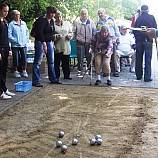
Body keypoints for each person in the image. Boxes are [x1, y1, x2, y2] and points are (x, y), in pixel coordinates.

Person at [32, 6, 61, 87]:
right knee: (38, 61)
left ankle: (53, 79)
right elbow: (39, 33)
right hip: (40, 41)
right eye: (51, 13)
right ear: (47, 12)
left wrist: (52, 43)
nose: (52, 15)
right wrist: (44, 44)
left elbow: (51, 33)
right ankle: (36, 80)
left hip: (49, 41)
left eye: (54, 13)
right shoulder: (41, 20)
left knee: (51, 61)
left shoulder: (51, 21)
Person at [133, 5, 157, 82]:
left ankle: (139, 76)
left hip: (139, 41)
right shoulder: (152, 17)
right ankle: (147, 77)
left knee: (139, 58)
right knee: (148, 59)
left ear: (141, 10)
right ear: (148, 10)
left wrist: (137, 37)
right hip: (148, 41)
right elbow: (155, 29)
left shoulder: (138, 18)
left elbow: (134, 30)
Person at [96, 8, 120, 77]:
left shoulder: (111, 20)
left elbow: (116, 29)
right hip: (103, 43)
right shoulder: (99, 22)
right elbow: (96, 31)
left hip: (112, 41)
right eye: (99, 13)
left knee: (114, 56)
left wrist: (118, 37)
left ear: (104, 13)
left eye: (101, 13)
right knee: (104, 57)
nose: (100, 15)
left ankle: (115, 71)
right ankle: (105, 71)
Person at [72, 8, 96, 75]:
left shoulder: (91, 22)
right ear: (81, 14)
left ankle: (89, 70)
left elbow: (94, 31)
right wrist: (75, 39)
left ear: (87, 14)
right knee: (80, 57)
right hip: (80, 42)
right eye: (83, 14)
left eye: (85, 14)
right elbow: (73, 32)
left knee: (89, 57)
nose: (84, 15)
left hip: (89, 43)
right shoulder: (77, 22)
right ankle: (79, 70)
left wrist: (93, 41)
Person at [0, 3, 15, 99]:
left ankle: (4, 88)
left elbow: (6, 37)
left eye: (7, 11)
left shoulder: (5, 21)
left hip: (5, 47)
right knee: (0, 71)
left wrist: (9, 49)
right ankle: (0, 92)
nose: (6, 13)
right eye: (4, 11)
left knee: (4, 70)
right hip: (0, 48)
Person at [8, 10, 29, 78]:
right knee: (16, 58)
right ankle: (16, 71)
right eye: (16, 15)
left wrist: (26, 40)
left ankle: (24, 71)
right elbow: (9, 35)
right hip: (15, 45)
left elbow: (27, 32)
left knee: (24, 58)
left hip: (23, 44)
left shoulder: (23, 23)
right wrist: (15, 41)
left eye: (18, 14)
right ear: (13, 16)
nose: (17, 16)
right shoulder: (11, 24)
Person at [54, 11, 72, 80]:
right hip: (57, 46)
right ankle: (56, 76)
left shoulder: (67, 24)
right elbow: (50, 36)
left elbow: (71, 33)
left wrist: (70, 36)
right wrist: (56, 36)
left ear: (62, 16)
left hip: (66, 46)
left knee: (66, 62)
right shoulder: (53, 24)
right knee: (57, 63)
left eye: (60, 17)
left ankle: (67, 75)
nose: (59, 18)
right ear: (55, 17)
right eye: (57, 17)